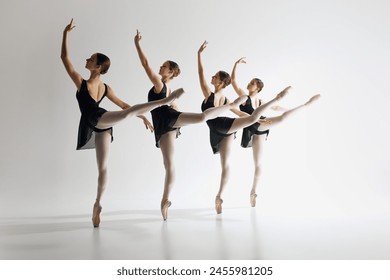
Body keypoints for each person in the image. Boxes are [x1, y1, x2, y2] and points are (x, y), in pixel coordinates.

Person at [60, 19, 183, 227]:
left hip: (99, 119)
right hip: (100, 122)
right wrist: (142, 116)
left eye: (91, 59)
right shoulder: (99, 86)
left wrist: (65, 34)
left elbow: (64, 58)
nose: (87, 60)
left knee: (105, 164)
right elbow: (125, 105)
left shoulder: (84, 83)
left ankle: (97, 204)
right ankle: (97, 204)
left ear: (97, 67)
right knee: (104, 165)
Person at [134, 31, 246, 220]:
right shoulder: (166, 88)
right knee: (168, 164)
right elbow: (176, 99)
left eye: (164, 66)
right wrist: (199, 54)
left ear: (170, 73)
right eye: (161, 66)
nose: (160, 67)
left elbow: (145, 65)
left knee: (202, 118)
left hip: (170, 120)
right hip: (164, 125)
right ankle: (165, 200)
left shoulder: (161, 85)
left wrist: (137, 44)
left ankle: (168, 199)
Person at [198, 42, 290, 214]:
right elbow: (206, 75)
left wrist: (260, 120)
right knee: (226, 163)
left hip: (239, 126)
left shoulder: (237, 101)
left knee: (241, 164)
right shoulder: (222, 95)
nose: (249, 84)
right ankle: (221, 196)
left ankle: (235, 194)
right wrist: (202, 55)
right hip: (228, 126)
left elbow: (241, 114)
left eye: (252, 83)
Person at [231, 57, 321, 207]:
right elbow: (233, 81)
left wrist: (288, 109)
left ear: (258, 88)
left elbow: (275, 108)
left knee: (259, 163)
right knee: (282, 119)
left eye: (252, 83)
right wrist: (235, 65)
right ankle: (305, 105)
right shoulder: (244, 96)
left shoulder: (259, 100)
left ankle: (253, 191)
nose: (249, 84)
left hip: (261, 126)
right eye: (250, 82)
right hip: (254, 124)